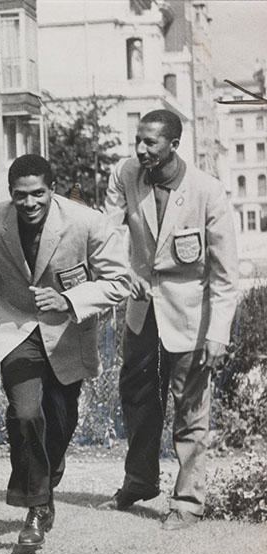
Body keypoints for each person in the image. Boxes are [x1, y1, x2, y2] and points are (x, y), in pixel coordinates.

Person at [0, 154, 129, 549]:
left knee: (60, 421)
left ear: (52, 190)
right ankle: (37, 508)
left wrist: (69, 300)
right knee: (25, 413)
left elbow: (120, 281)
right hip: (15, 325)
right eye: (20, 196)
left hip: (68, 329)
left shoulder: (86, 222)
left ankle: (50, 472)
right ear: (10, 194)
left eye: (38, 194)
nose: (29, 204)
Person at [102, 109, 239, 529]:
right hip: (143, 313)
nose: (140, 150)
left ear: (173, 146)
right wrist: (126, 276)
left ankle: (188, 502)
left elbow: (225, 274)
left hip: (190, 317)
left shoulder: (208, 192)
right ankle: (140, 481)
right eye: (137, 141)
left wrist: (217, 335)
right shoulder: (125, 174)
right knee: (138, 399)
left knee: (190, 409)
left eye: (151, 143)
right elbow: (106, 237)